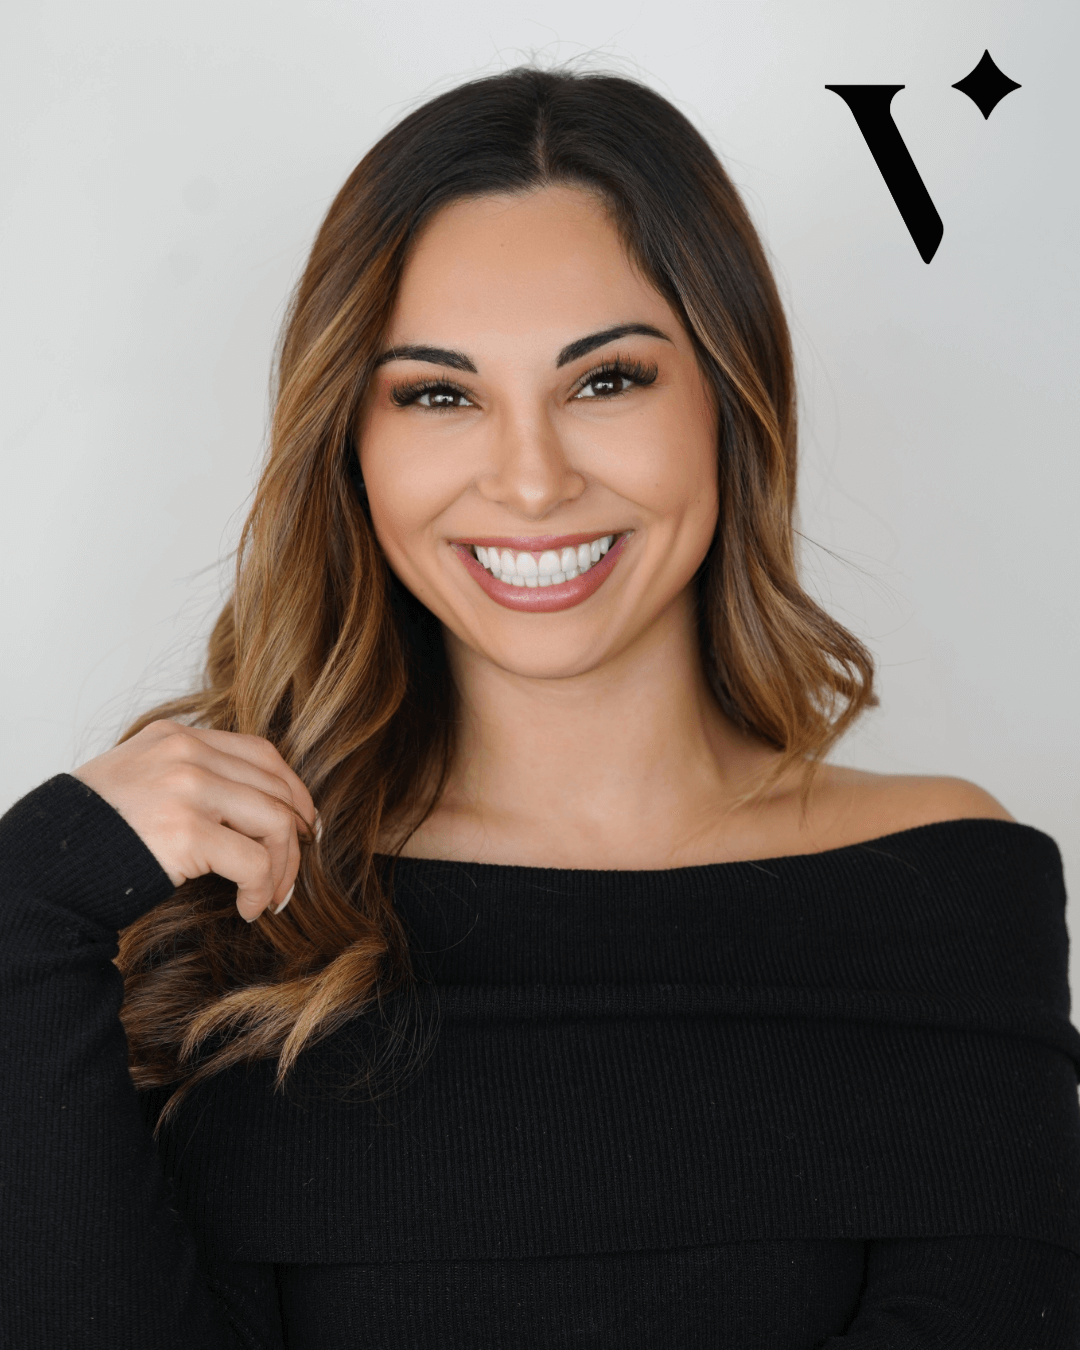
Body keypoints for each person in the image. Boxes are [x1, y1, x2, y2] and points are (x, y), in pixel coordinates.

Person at [2, 65, 1078, 1349]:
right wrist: (32, 898)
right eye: (439, 394)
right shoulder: (233, 902)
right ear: (353, 446)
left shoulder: (945, 886)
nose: (530, 480)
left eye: (606, 381)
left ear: (732, 400)